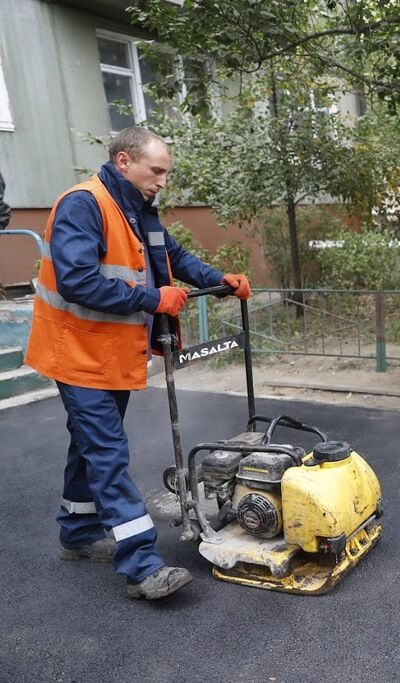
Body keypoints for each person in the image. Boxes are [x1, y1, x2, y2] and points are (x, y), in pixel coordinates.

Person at [24, 127, 253, 600]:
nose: (162, 182)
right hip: (77, 354)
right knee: (107, 453)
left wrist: (221, 280)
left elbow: (172, 255)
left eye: (166, 173)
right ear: (125, 161)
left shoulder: (136, 210)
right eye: (157, 171)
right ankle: (142, 565)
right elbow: (77, 281)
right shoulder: (83, 204)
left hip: (106, 355)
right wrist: (153, 299)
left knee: (88, 446)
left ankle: (78, 533)